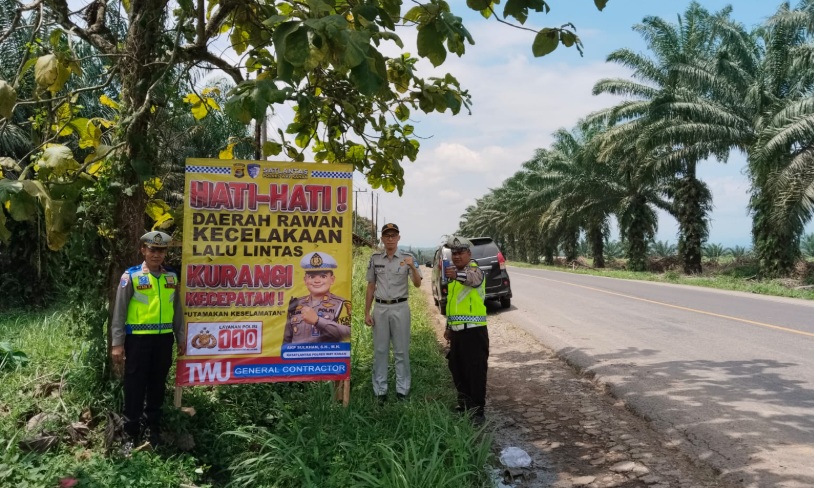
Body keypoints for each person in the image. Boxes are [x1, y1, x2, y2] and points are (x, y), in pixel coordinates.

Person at [110, 231, 182, 449]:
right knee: (134, 385)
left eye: (161, 250)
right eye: (152, 249)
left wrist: (181, 338)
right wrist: (117, 343)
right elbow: (119, 312)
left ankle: (153, 429)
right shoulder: (130, 276)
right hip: (138, 341)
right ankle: (130, 433)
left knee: (157, 384)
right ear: (143, 250)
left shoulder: (171, 277)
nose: (156, 254)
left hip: (163, 341)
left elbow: (177, 309)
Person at [364, 223, 422, 402]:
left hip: (400, 308)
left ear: (398, 238)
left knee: (401, 350)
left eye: (393, 235)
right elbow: (371, 286)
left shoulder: (407, 258)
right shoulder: (375, 259)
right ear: (382, 238)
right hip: (380, 308)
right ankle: (380, 390)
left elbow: (418, 283)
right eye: (387, 235)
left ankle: (402, 390)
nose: (390, 238)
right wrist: (367, 312)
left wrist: (412, 267)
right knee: (380, 350)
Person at [442, 235, 489, 423]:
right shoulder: (453, 277)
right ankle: (464, 405)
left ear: (469, 253)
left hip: (474, 331)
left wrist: (456, 275)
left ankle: (478, 412)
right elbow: (452, 304)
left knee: (475, 371)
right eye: (454, 253)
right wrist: (448, 327)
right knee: (457, 368)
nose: (457, 256)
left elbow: (473, 280)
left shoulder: (475, 271)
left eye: (461, 252)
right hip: (457, 332)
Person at [283, 251, 351, 344]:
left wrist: (317, 321)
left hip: (326, 357)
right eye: (312, 277)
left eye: (323, 276)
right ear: (305, 280)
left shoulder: (341, 304)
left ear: (332, 279)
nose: (317, 281)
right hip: (298, 357)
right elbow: (287, 340)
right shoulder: (296, 303)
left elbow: (348, 333)